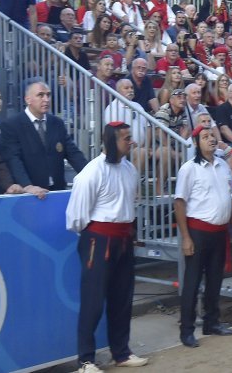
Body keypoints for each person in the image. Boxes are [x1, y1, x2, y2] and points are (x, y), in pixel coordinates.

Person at [66, 122, 149, 372]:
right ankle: (86, 360)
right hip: (98, 240)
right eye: (126, 138)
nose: (131, 142)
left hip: (123, 238)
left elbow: (130, 206)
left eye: (130, 137)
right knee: (93, 300)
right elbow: (76, 218)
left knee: (122, 298)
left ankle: (121, 352)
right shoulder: (91, 172)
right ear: (112, 141)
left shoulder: (130, 169)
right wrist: (98, 236)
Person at [174, 126, 232, 348]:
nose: (211, 140)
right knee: (192, 282)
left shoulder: (223, 165)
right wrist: (186, 237)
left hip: (219, 231)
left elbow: (228, 196)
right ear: (196, 143)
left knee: (215, 280)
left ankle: (211, 322)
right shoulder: (189, 169)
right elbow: (179, 202)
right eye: (205, 137)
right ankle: (186, 330)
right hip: (198, 232)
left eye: (212, 136)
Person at [2, 82, 87, 191]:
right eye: (40, 95)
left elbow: (74, 154)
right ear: (28, 99)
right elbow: (14, 159)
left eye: (48, 95)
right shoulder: (12, 125)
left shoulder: (57, 123)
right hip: (29, 193)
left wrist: (91, 175)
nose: (46, 99)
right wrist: (27, 186)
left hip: (56, 191)